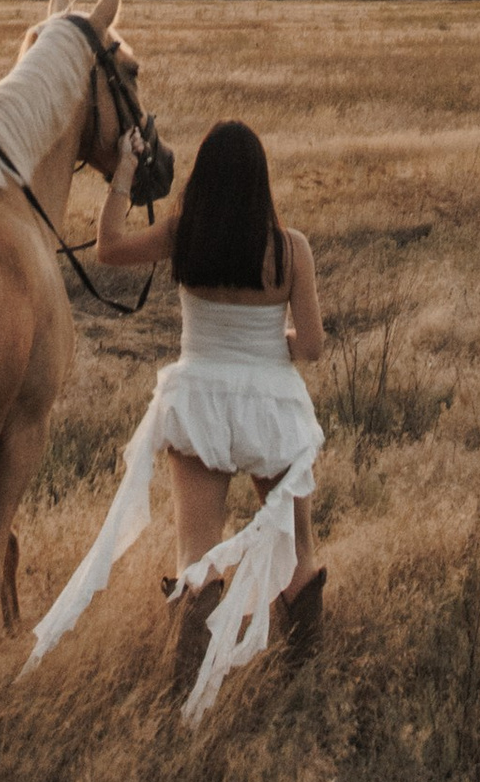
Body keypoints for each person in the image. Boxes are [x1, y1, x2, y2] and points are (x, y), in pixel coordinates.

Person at [24, 117, 327, 718]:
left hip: (200, 405)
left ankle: (187, 696)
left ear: (203, 180)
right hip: (273, 408)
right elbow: (313, 346)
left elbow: (106, 248)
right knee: (299, 553)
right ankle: (301, 684)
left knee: (197, 553)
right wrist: (265, 345)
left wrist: (127, 174)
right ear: (261, 180)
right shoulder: (290, 248)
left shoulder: (183, 235)